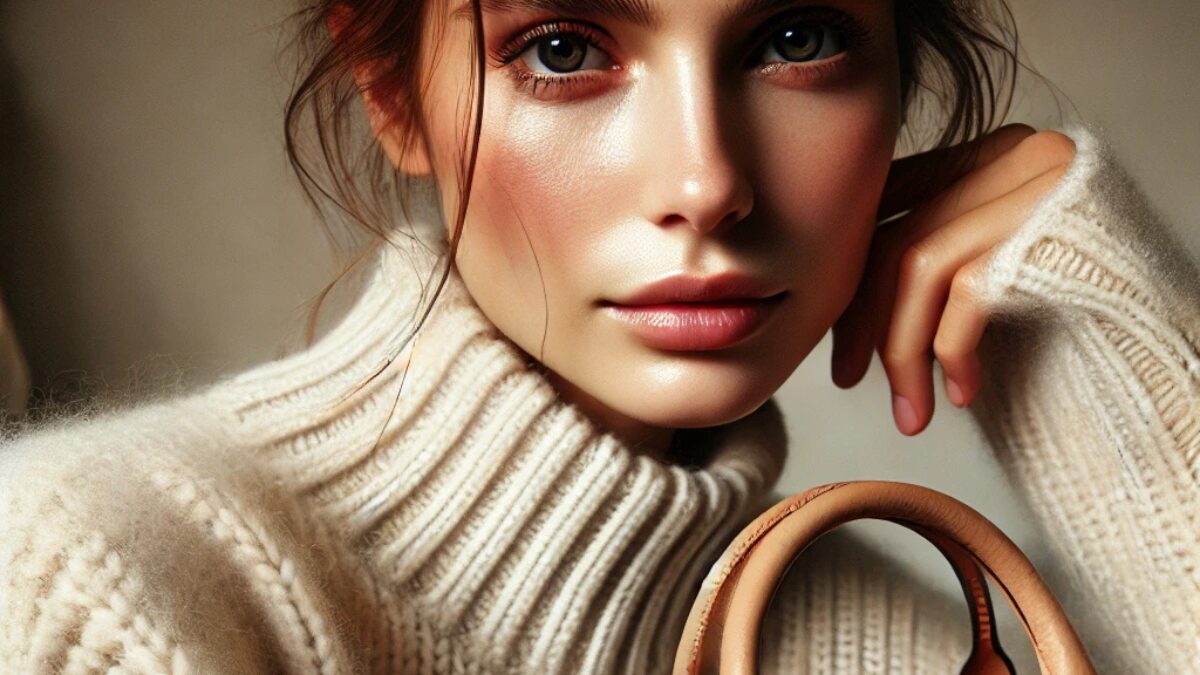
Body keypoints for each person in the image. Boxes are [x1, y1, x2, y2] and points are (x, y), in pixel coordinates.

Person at [2, 0, 1197, 672]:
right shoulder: (90, 576)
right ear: (394, 98)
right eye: (562, 49)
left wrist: (1102, 335)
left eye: (795, 39)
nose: (707, 182)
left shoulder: (897, 646)